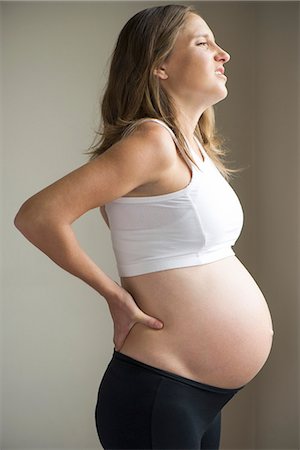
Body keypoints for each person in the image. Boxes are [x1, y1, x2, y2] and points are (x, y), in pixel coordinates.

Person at [14, 4, 274, 449]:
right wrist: (114, 295)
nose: (223, 53)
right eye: (203, 42)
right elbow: (38, 215)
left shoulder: (191, 146)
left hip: (196, 393)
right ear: (159, 65)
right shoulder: (152, 141)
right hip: (161, 390)